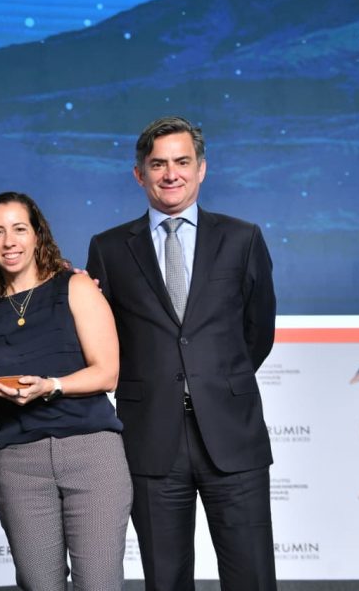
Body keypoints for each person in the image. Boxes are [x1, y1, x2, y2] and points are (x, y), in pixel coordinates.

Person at [86, 116, 277, 590]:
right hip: (151, 439)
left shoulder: (242, 238)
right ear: (139, 174)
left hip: (232, 435)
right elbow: (103, 340)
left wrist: (216, 381)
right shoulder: (109, 249)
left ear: (201, 169)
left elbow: (258, 331)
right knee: (165, 580)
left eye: (182, 162)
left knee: (252, 576)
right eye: (158, 164)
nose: (171, 174)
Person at [0, 191, 132, 590]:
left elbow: (107, 374)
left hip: (91, 454)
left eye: (19, 229)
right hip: (21, 464)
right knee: (38, 584)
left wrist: (51, 386)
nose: (9, 241)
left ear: (37, 235)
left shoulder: (76, 287)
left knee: (99, 583)